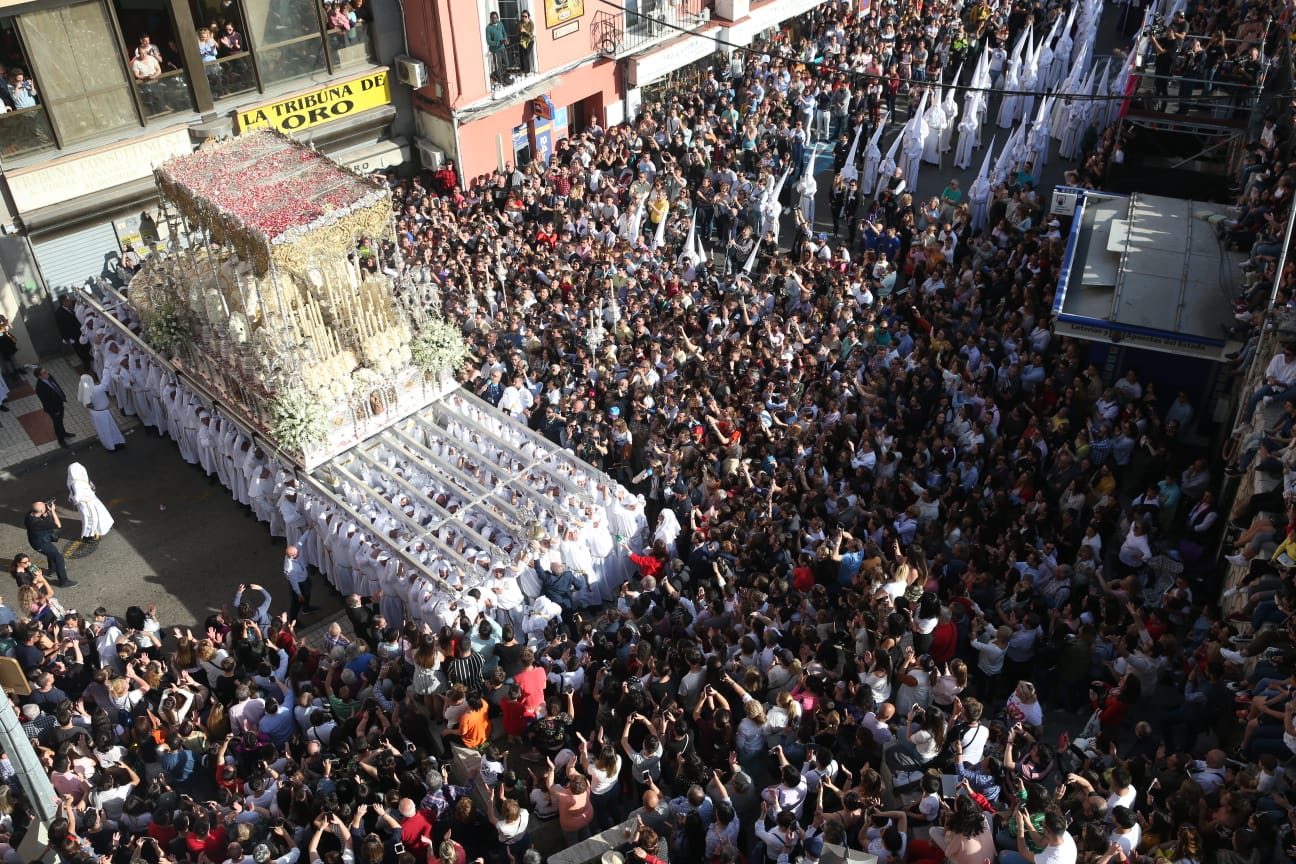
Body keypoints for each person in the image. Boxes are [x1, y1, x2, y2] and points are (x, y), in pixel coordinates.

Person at [25, 500, 73, 587]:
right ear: (41, 511)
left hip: (38, 540)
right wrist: (53, 511)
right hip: (40, 544)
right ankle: (64, 581)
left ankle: (52, 570)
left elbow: (42, 515)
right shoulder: (38, 523)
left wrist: (45, 512)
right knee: (58, 557)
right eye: (44, 507)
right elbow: (58, 525)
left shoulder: (29, 515)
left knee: (51, 553)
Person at [66, 463, 114, 541]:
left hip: (87, 502)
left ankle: (92, 534)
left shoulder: (75, 481)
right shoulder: (81, 479)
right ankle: (93, 533)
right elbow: (92, 488)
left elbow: (77, 497)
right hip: (89, 501)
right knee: (95, 516)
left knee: (92, 517)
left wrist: (72, 500)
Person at [78, 374, 125, 452]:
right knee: (111, 428)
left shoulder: (83, 391)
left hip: (95, 413)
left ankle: (110, 446)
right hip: (103, 412)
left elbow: (82, 401)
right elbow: (105, 383)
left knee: (103, 431)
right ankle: (117, 442)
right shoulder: (96, 389)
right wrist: (107, 368)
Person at [34, 366, 73, 448]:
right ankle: (61, 440)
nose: (47, 373)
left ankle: (64, 433)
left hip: (59, 403)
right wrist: (55, 411)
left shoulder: (49, 377)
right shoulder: (40, 388)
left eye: (46, 371)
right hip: (54, 409)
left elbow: (56, 386)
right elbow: (46, 402)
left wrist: (62, 396)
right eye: (44, 373)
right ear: (39, 376)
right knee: (57, 423)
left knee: (60, 421)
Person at [55, 296, 93, 371]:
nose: (70, 301)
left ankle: (91, 358)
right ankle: (87, 364)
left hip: (83, 331)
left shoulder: (74, 304)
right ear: (63, 302)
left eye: (69, 299)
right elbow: (61, 327)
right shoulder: (59, 313)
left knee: (87, 346)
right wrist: (66, 338)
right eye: (68, 301)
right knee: (80, 350)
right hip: (73, 335)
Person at [283, 545, 316, 620]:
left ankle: (306, 609)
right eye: (297, 553)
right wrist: (299, 594)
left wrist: (308, 532)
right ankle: (293, 619)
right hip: (300, 585)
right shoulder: (290, 568)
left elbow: (300, 542)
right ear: (292, 556)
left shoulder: (293, 553)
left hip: (304, 580)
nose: (299, 554)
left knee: (307, 594)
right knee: (296, 603)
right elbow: (294, 583)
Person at [485, 12, 510, 87]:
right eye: (493, 18)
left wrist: (505, 39)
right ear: (490, 18)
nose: (494, 19)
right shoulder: (488, 28)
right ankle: (500, 80)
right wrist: (498, 42)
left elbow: (504, 33)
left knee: (506, 63)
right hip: (495, 50)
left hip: (503, 48)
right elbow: (489, 41)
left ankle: (498, 76)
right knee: (498, 66)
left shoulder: (500, 24)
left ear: (498, 17)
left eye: (496, 17)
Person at [517, 10, 535, 75]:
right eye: (522, 16)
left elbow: (530, 34)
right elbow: (518, 32)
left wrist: (525, 31)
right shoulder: (520, 23)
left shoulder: (531, 23)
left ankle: (527, 71)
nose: (524, 18)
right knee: (521, 56)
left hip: (529, 41)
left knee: (526, 55)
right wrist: (520, 32)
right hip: (522, 41)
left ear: (528, 17)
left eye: (525, 16)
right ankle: (522, 70)